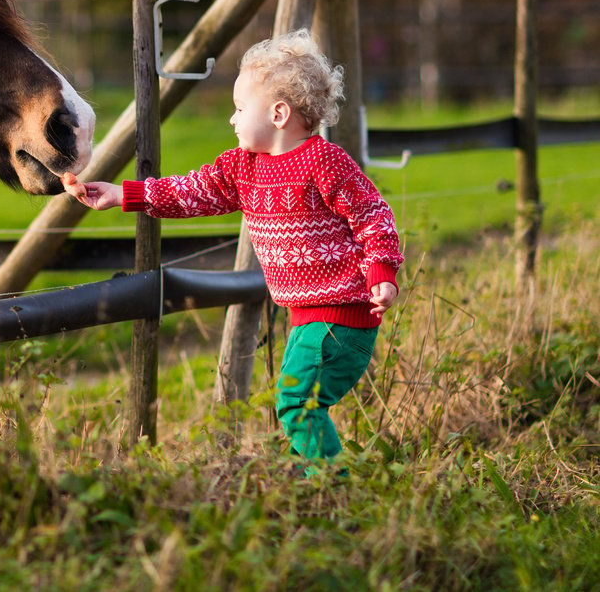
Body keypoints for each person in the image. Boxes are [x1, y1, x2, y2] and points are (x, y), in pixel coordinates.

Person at [62, 29, 402, 466]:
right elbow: (191, 192)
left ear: (279, 113)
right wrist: (124, 194)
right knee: (298, 406)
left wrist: (382, 273)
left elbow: (374, 215)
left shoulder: (324, 162)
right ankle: (314, 481)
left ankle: (335, 489)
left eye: (240, 109)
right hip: (306, 317)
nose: (232, 119)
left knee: (296, 404)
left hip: (342, 316)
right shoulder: (242, 168)